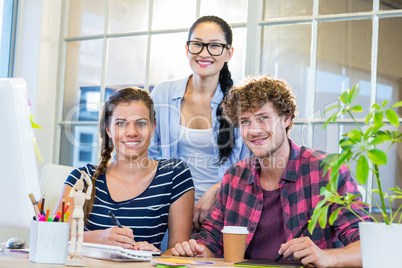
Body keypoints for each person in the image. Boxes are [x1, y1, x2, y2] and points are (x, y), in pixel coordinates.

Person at [171, 76, 371, 267]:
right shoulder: (234, 177)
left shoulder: (327, 171)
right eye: (245, 121)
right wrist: (197, 250)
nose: (254, 130)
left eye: (263, 118)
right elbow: (211, 242)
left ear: (286, 118)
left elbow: (369, 246)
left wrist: (326, 257)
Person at [54, 87, 194, 252]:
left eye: (140, 123)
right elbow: (54, 238)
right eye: (121, 123)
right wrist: (99, 238)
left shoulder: (174, 174)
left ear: (153, 127)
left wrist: (156, 256)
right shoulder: (82, 178)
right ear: (108, 130)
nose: (131, 132)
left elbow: (179, 254)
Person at [149, 15, 250, 230]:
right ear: (187, 49)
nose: (204, 53)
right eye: (197, 44)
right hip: (167, 214)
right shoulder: (162, 93)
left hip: (223, 214)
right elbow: (146, 154)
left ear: (229, 53)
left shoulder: (241, 103)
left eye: (215, 46)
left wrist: (217, 189)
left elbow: (250, 167)